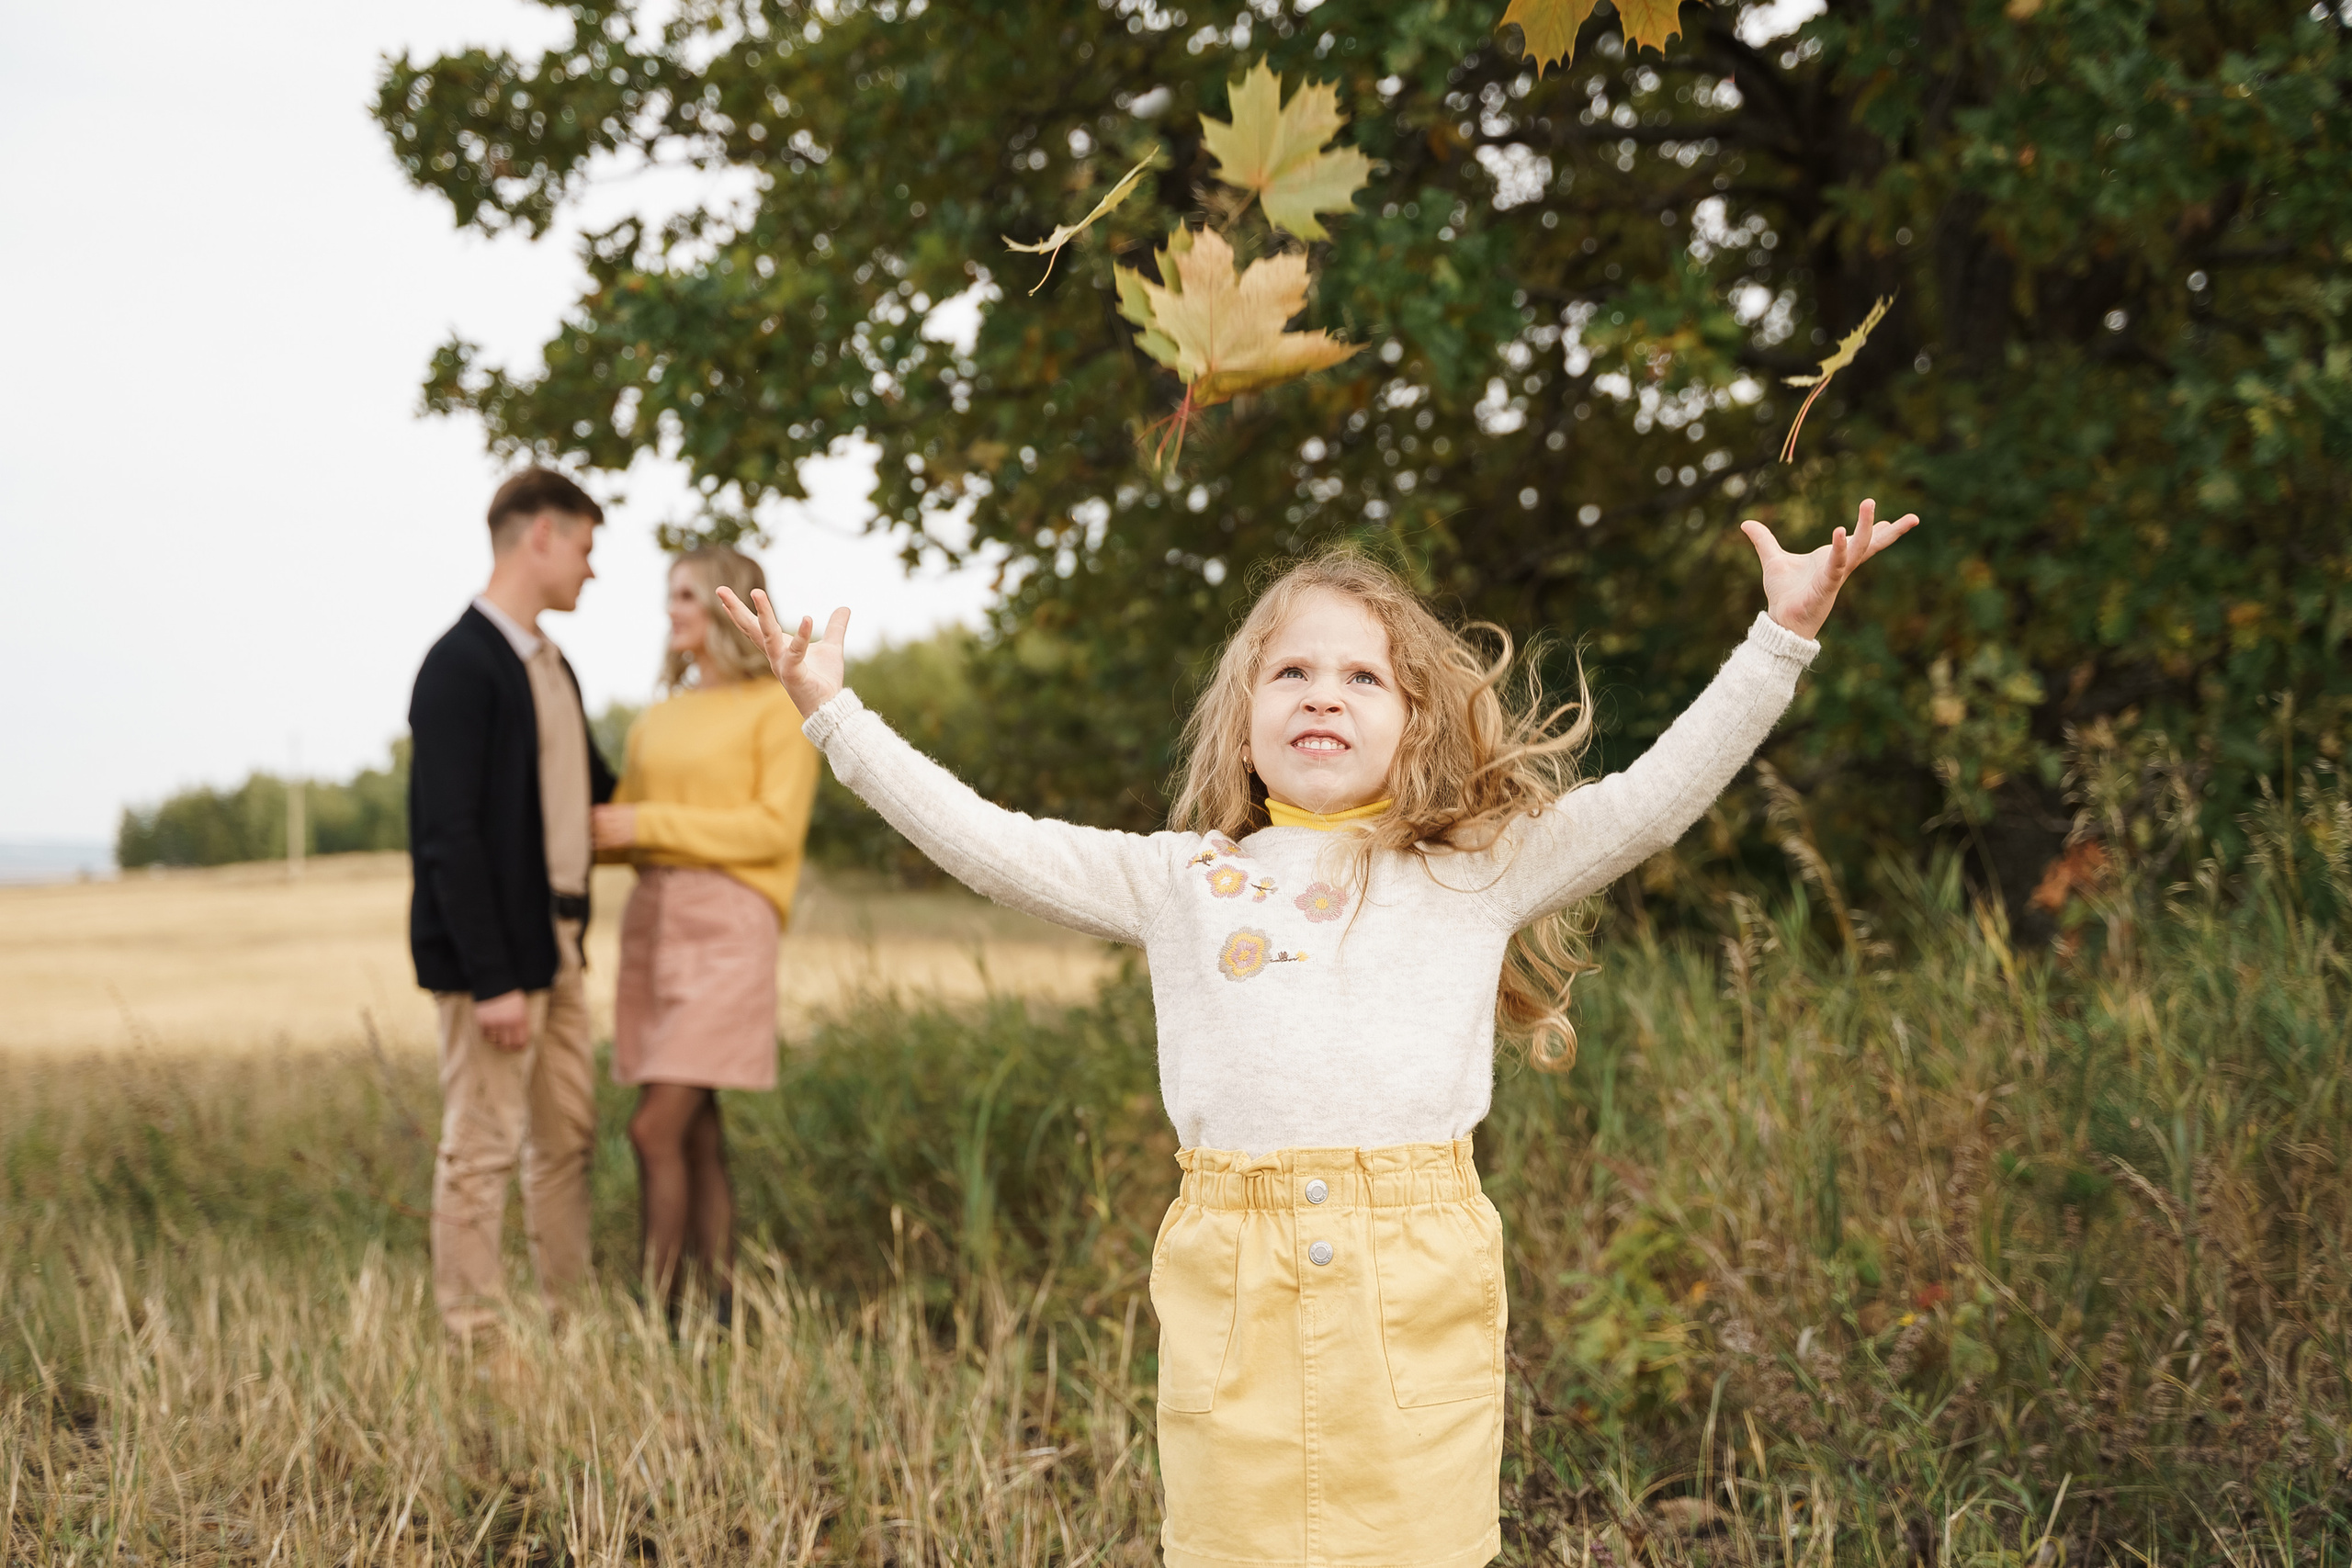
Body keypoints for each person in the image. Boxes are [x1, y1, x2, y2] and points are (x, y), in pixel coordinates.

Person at [720, 502, 1917, 1568]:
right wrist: (833, 710)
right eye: (1291, 671)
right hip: (1236, 1276)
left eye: (1363, 676)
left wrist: (1781, 640)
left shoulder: (1479, 869)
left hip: (1415, 1274)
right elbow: (990, 840)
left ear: (1413, 723)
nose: (1324, 693)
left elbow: (1655, 795)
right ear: (1243, 723)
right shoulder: (1182, 877)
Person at [407, 468, 616, 1344]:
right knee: (482, 1151)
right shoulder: (459, 666)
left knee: (566, 1141)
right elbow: (447, 836)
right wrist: (491, 979)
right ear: (539, 535)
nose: (591, 570)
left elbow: (595, 795)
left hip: (561, 947)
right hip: (496, 963)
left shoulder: (551, 662)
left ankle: (574, 1327)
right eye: (584, 546)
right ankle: (481, 1350)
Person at [591, 546, 820, 1325]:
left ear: (730, 602)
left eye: (687, 593)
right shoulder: (656, 718)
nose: (672, 609)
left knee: (654, 1125)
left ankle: (658, 1316)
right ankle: (720, 1307)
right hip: (655, 923)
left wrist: (644, 824)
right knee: (695, 1132)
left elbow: (770, 829)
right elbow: (617, 829)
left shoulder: (777, 707)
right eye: (669, 595)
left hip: (730, 929)